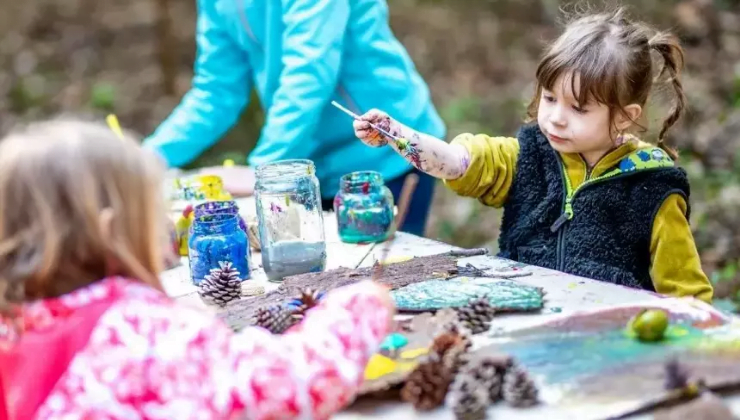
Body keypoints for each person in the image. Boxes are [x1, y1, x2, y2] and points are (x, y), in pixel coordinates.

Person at [0, 119, 395, 419]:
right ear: (111, 233)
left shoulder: (11, 332)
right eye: (155, 217)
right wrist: (358, 309)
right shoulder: (144, 334)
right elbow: (291, 382)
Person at [352, 7, 713, 302]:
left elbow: (688, 295)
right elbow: (457, 161)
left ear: (623, 117)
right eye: (550, 98)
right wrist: (397, 134)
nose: (555, 117)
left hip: (603, 342)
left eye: (579, 109)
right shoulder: (528, 155)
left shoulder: (652, 187)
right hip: (524, 325)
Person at [143, 0, 446, 237]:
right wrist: (145, 159)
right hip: (306, 163)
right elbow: (216, 90)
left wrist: (264, 169)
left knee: (386, 287)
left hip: (382, 155)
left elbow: (310, 71)